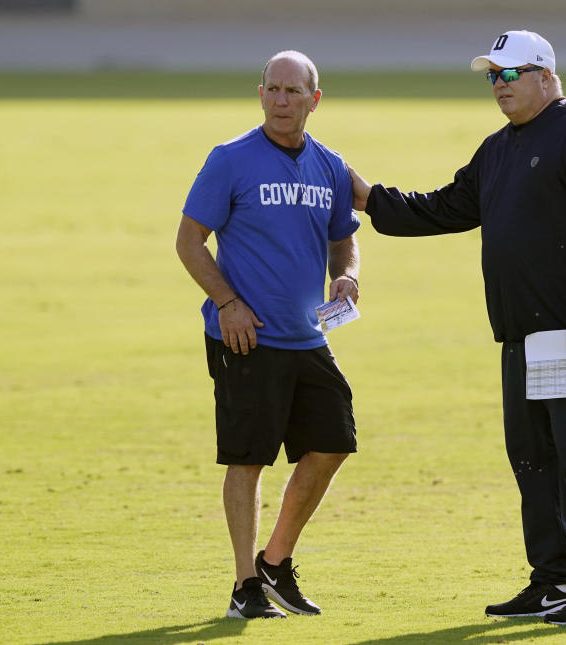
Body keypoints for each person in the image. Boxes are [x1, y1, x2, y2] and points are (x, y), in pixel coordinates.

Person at [349, 30, 566, 627]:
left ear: (545, 76)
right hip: (521, 337)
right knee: (533, 460)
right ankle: (555, 580)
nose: (499, 85)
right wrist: (370, 198)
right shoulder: (499, 149)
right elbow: (445, 207)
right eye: (492, 76)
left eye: (510, 73)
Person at [176, 50, 360, 620]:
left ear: (314, 99)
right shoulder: (230, 159)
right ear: (261, 94)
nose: (281, 100)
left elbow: (343, 237)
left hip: (309, 336)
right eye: (272, 89)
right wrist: (226, 302)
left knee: (333, 441)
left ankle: (276, 563)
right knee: (248, 459)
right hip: (246, 338)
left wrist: (347, 274)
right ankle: (245, 585)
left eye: (293, 91)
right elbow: (189, 241)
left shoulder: (329, 166)